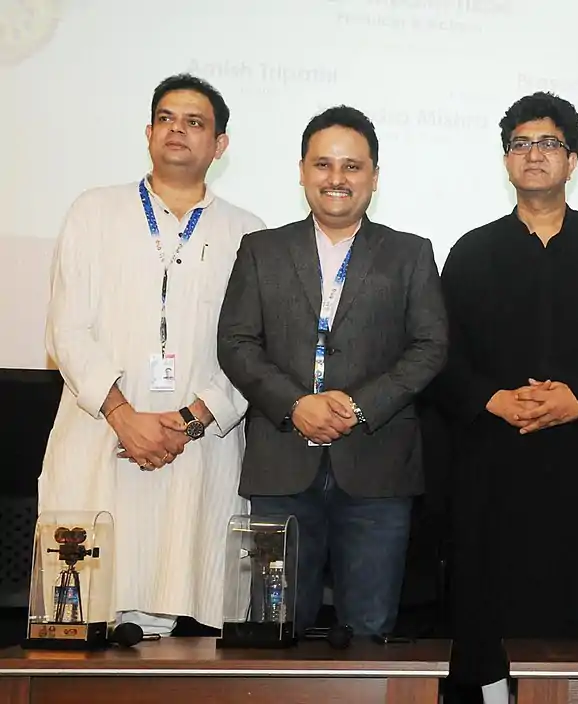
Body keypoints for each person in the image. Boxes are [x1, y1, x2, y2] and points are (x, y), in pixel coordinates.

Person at [434, 91, 578, 704]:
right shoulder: (470, 252)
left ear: (573, 159)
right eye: (521, 144)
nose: (534, 155)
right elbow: (438, 357)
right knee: (489, 615)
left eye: (549, 143)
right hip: (495, 469)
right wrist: (492, 399)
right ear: (506, 160)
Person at [39, 74, 263, 635]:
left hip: (197, 453)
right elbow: (66, 329)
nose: (177, 131)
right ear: (147, 132)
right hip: (100, 439)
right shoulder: (94, 211)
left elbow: (253, 351)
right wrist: (123, 416)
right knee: (87, 620)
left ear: (220, 145)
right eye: (166, 118)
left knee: (190, 620)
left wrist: (187, 423)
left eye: (195, 122)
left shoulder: (249, 233)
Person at [216, 105, 448, 638]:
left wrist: (358, 407)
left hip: (377, 468)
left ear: (374, 177)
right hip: (281, 466)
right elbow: (236, 342)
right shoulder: (261, 250)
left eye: (352, 166)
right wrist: (296, 404)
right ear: (302, 171)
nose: (337, 179)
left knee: (369, 630)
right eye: (323, 165)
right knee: (273, 632)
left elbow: (431, 346)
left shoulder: (410, 254)